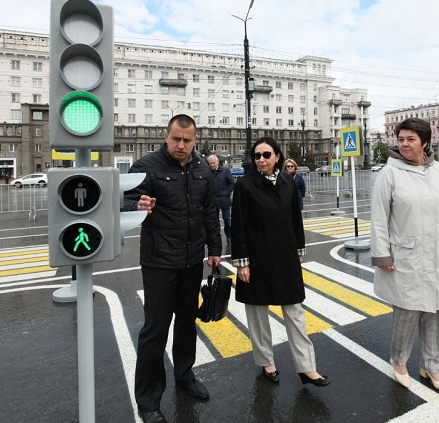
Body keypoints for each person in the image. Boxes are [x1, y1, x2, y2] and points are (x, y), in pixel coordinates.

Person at [122, 114, 222, 423]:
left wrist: (215, 250)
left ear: (195, 140)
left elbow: (209, 211)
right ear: (166, 136)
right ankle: (149, 400)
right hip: (159, 262)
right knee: (155, 330)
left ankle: (185, 375)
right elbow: (124, 201)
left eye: (187, 140)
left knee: (187, 322)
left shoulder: (202, 168)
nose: (181, 145)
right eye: (176, 138)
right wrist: (136, 206)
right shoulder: (146, 167)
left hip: (192, 261)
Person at [370, 117, 439, 395]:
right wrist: (382, 255)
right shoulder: (389, 174)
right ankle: (399, 362)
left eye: (410, 139)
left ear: (425, 142)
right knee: (408, 311)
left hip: (436, 252)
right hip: (406, 255)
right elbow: (379, 219)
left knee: (437, 310)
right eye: (400, 139)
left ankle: (431, 366)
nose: (404, 144)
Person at [231, 137, 329, 387]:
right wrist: (242, 263)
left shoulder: (288, 181)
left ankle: (307, 368)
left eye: (266, 155)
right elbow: (238, 225)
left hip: (285, 257)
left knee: (295, 312)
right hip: (256, 259)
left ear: (277, 156)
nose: (260, 160)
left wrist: (299, 249)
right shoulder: (245, 184)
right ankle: (267, 362)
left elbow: (296, 218)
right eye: (257, 156)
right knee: (258, 314)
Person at [207, 154, 236, 248]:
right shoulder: (208, 172)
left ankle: (229, 236)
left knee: (227, 220)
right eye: (210, 163)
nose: (212, 165)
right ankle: (217, 238)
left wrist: (227, 192)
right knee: (215, 222)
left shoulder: (225, 170)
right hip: (213, 201)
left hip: (224, 199)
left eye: (213, 163)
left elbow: (232, 183)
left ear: (217, 162)